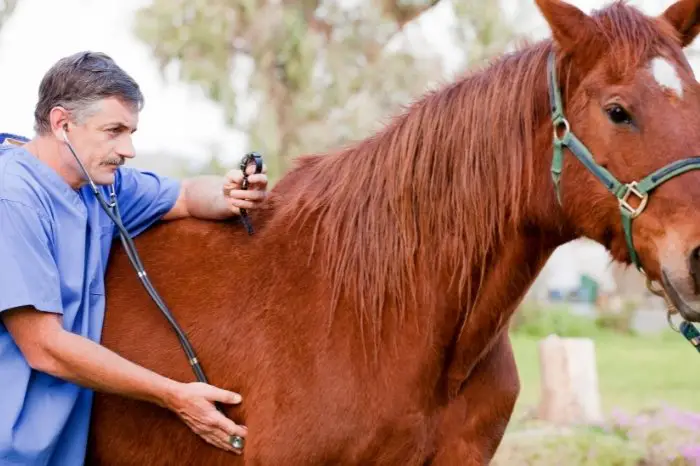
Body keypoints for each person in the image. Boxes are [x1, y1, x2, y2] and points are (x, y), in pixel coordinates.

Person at [0, 51, 268, 465]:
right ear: (61, 124)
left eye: (131, 132)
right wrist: (174, 395)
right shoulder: (12, 199)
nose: (128, 149)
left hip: (58, 446)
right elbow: (43, 346)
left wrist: (229, 194)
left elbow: (183, 195)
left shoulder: (101, 186)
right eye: (114, 131)